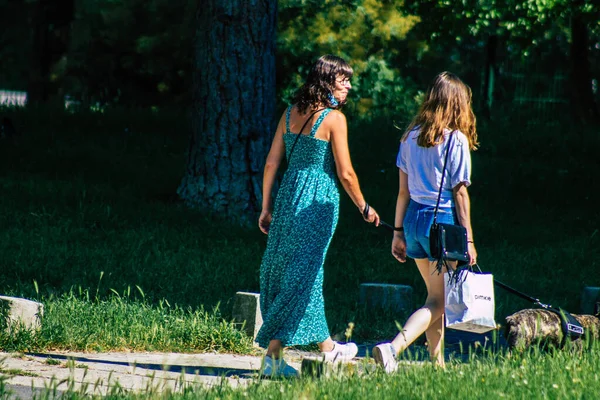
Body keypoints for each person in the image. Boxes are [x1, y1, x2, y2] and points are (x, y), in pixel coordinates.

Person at [256, 54, 380, 378]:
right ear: (327, 81)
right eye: (344, 80)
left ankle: (328, 348)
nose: (349, 86)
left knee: (300, 272)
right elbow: (346, 173)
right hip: (317, 202)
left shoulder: (288, 113)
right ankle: (272, 357)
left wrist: (266, 207)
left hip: (287, 198)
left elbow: (271, 164)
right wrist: (365, 207)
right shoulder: (334, 119)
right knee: (303, 275)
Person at [373, 71, 479, 371]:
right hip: (442, 224)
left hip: (413, 222)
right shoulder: (455, 140)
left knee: (435, 298)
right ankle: (393, 348)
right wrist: (469, 239)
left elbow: (402, 192)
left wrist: (397, 233)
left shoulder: (409, 137)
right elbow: (460, 194)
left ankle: (438, 365)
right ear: (456, 104)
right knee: (438, 301)